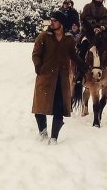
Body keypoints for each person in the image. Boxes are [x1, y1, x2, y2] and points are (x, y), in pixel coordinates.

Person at [31, 10, 87, 144]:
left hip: (61, 79)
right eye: (51, 20)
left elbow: (73, 56)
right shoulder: (43, 37)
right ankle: (43, 132)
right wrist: (38, 67)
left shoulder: (68, 39)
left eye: (54, 20)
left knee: (59, 108)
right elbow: (36, 54)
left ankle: (54, 137)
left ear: (61, 23)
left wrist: (84, 65)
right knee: (40, 107)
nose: (52, 22)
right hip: (45, 77)